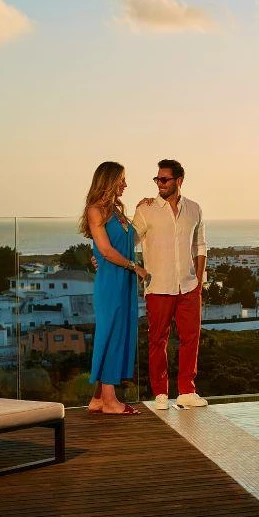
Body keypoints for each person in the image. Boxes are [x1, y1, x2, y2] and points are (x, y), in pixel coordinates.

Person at [134, 159, 209, 410]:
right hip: (158, 285)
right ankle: (161, 394)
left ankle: (187, 390)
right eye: (157, 179)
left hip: (188, 286)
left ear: (179, 181)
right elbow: (129, 240)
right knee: (158, 340)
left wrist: (198, 279)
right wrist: (102, 254)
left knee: (191, 338)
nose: (159, 184)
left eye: (164, 179)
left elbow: (200, 245)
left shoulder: (195, 209)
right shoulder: (146, 210)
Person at [81, 161, 150, 415]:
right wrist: (136, 267)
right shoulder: (95, 210)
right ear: (108, 180)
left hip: (122, 280)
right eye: (121, 180)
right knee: (110, 334)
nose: (125, 184)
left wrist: (143, 211)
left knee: (119, 333)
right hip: (112, 281)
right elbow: (107, 251)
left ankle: (99, 398)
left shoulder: (117, 211)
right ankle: (110, 400)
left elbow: (131, 240)